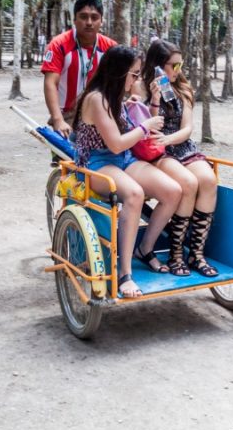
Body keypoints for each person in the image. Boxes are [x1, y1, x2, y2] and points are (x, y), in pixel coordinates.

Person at [73, 45, 182, 298]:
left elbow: (131, 140)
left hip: (122, 159)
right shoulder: (96, 99)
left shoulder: (117, 98)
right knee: (134, 194)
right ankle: (125, 273)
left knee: (172, 191)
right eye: (133, 74)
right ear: (119, 73)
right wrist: (145, 126)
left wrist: (149, 103)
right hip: (96, 163)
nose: (136, 80)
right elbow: (116, 143)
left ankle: (144, 248)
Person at [136, 41, 219, 277]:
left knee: (209, 181)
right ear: (158, 66)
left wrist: (169, 139)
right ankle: (175, 254)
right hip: (156, 151)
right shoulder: (142, 88)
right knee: (189, 184)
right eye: (173, 65)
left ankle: (196, 254)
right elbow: (145, 126)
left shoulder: (183, 89)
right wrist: (152, 98)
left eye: (180, 64)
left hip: (180, 145)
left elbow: (188, 128)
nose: (178, 70)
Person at [42, 0, 117, 138]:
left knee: (99, 159)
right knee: (65, 158)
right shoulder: (59, 44)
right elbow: (50, 82)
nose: (89, 22)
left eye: (94, 17)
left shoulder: (110, 48)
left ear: (101, 21)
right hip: (67, 114)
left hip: (100, 112)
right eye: (83, 17)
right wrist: (58, 120)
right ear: (74, 20)